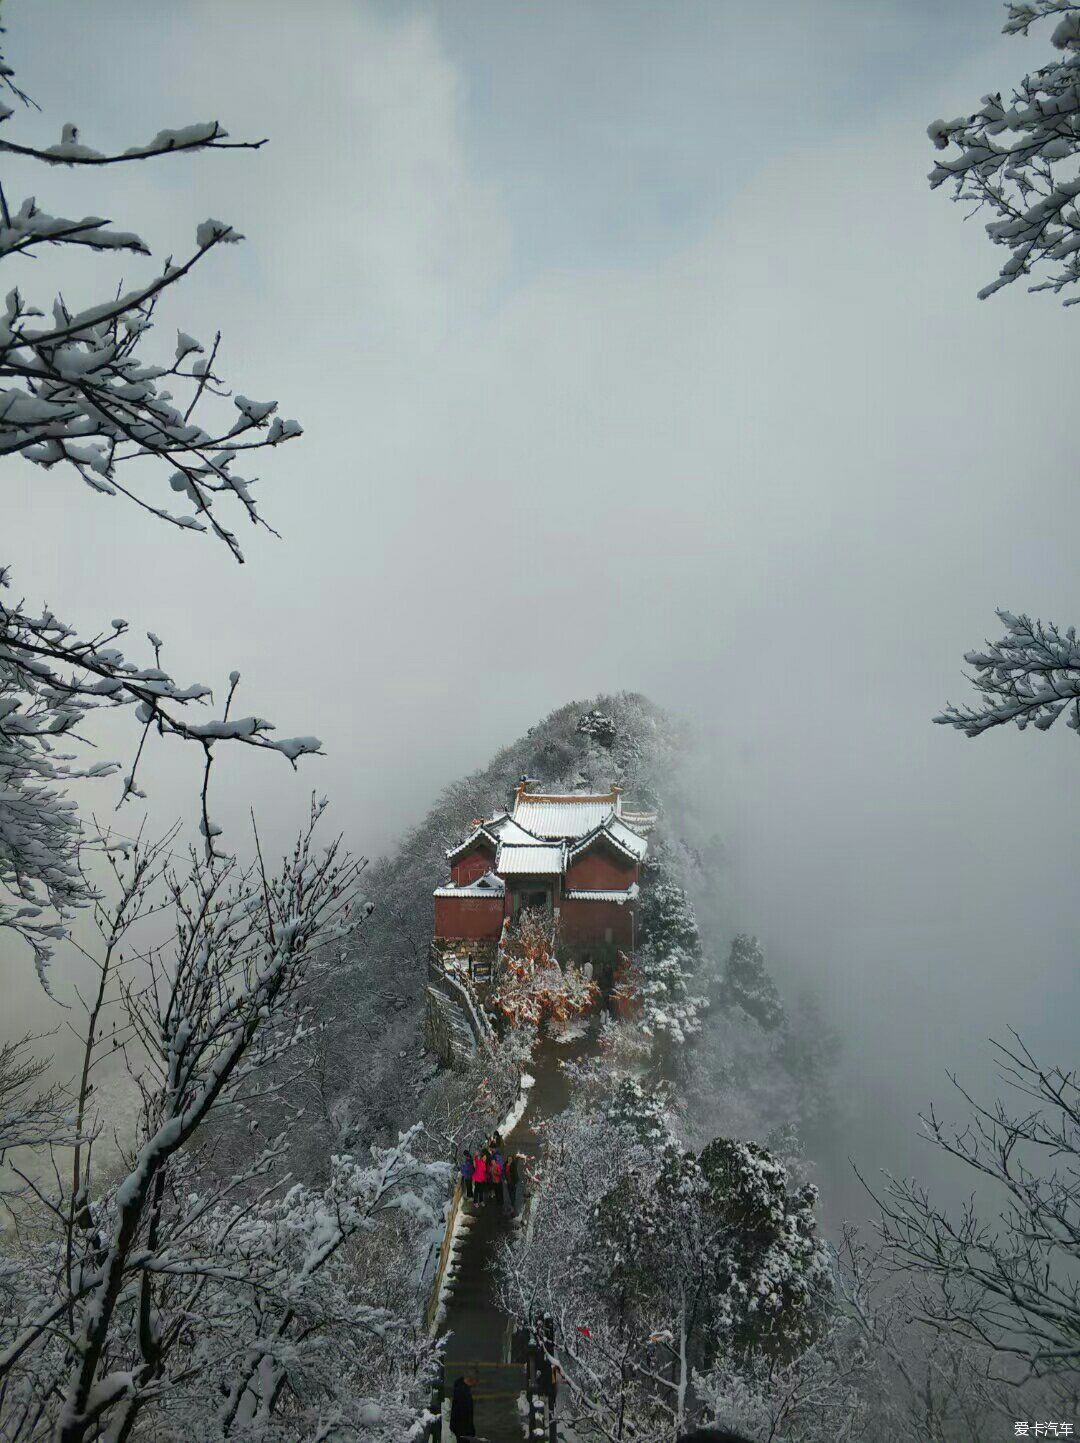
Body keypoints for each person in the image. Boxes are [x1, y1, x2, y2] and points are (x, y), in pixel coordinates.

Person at [450, 1373, 477, 1440]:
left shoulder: (459, 1388)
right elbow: (466, 1414)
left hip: (459, 1428)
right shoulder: (464, 1393)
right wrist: (470, 1430)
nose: (476, 1384)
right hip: (463, 1430)